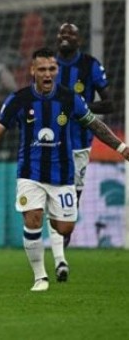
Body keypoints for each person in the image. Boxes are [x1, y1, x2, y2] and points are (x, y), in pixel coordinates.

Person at [0, 47, 129, 292]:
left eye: (51, 69)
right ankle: (40, 277)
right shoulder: (19, 99)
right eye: (42, 69)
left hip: (62, 175)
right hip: (30, 172)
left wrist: (120, 146)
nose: (47, 74)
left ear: (56, 71)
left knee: (64, 227)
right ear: (33, 71)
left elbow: (95, 125)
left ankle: (52, 225)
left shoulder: (69, 99)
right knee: (33, 218)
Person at [47, 22, 115, 282]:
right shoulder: (48, 65)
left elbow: (109, 103)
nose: (64, 37)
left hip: (79, 144)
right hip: (50, 142)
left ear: (79, 40)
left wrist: (82, 107)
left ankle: (61, 250)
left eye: (70, 34)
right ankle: (59, 260)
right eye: (61, 33)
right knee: (47, 198)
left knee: (69, 204)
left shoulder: (89, 65)